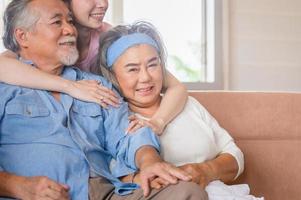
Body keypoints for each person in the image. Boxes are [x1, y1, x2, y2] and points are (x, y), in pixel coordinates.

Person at [0, 1, 208, 200]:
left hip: (105, 191)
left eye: (70, 21)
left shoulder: (97, 85)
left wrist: (149, 161)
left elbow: (127, 135)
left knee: (188, 192)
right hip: (36, 194)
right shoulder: (7, 85)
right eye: (57, 22)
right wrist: (16, 185)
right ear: (22, 36)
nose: (70, 30)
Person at [96, 21, 262, 200]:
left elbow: (235, 155)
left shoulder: (189, 105)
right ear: (113, 76)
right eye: (132, 69)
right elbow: (111, 175)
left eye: (152, 65)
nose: (145, 77)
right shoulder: (116, 122)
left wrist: (206, 170)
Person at [0, 0, 188, 134]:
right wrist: (71, 87)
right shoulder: (39, 44)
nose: (103, 3)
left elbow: (175, 86)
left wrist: (158, 122)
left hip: (110, 123)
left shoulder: (109, 37)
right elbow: (3, 66)